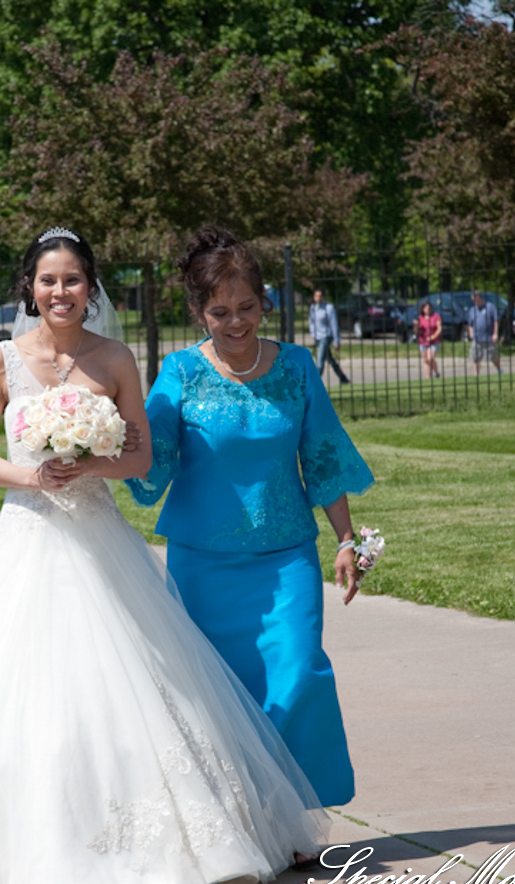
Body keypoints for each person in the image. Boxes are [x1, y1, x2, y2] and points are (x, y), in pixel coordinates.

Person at [0, 227, 327, 884]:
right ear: (29, 287)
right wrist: (32, 474)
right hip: (26, 537)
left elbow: (141, 459)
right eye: (49, 280)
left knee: (132, 687)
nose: (62, 292)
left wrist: (90, 464)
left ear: (92, 288)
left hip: (99, 539)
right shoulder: (2, 361)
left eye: (74, 280)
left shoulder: (115, 359)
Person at [129, 225, 375, 809]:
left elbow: (323, 456)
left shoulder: (296, 368)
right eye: (220, 311)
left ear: (265, 301)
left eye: (247, 307)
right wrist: (92, 443)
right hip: (201, 567)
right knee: (216, 694)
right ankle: (233, 812)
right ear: (198, 312)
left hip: (286, 557)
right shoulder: (180, 373)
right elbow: (149, 461)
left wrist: (346, 539)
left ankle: (293, 814)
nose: (236, 322)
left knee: (296, 678)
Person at [308, 289, 349, 384]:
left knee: (320, 359)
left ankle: (315, 382)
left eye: (320, 296)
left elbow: (334, 325)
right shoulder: (313, 308)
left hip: (326, 336)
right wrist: (313, 334)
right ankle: (343, 378)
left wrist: (336, 341)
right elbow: (311, 322)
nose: (318, 298)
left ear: (323, 297)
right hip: (317, 337)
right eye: (316, 296)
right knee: (330, 359)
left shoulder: (328, 308)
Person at [466, 290, 501, 375]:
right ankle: (476, 374)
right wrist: (470, 333)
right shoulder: (472, 310)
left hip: (488, 337)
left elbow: (496, 321)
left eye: (476, 300)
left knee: (493, 357)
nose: (475, 302)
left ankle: (499, 369)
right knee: (476, 357)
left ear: (480, 298)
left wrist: (495, 333)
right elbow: (470, 324)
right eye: (474, 300)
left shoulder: (490, 307)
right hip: (477, 337)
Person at [415, 300, 442, 379]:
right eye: (426, 308)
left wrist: (433, 336)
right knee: (426, 360)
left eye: (429, 308)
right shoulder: (420, 318)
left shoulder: (436, 316)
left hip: (434, 341)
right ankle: (429, 376)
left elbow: (439, 328)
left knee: (430, 358)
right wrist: (416, 325)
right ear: (423, 309)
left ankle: (434, 373)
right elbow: (416, 331)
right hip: (423, 342)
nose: (428, 309)